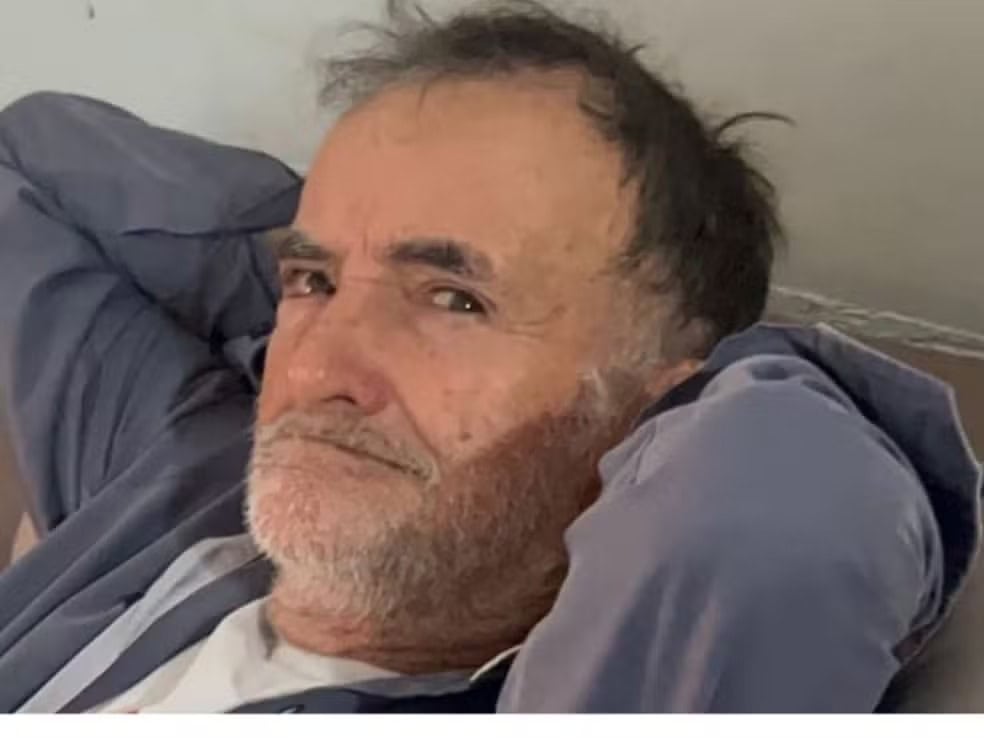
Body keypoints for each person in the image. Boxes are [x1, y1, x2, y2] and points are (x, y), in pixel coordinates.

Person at [0, 1, 979, 713]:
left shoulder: (589, 684)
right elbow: (27, 158)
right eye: (311, 282)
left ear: (653, 415)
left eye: (457, 299)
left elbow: (779, 507)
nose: (318, 370)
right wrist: (343, 254)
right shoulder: (185, 463)